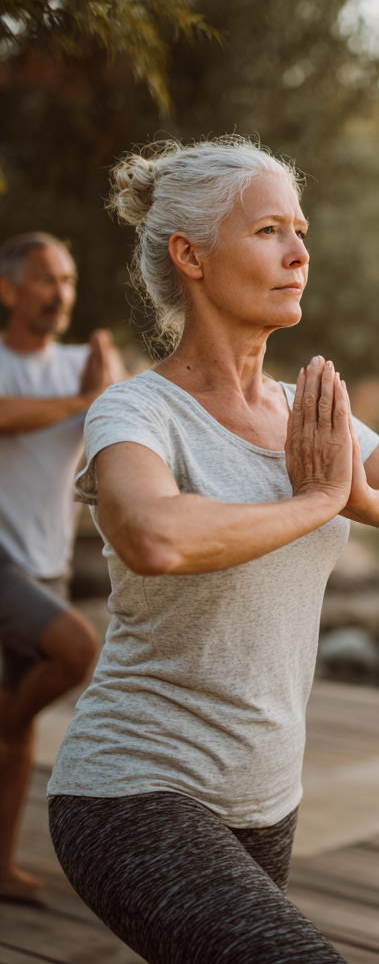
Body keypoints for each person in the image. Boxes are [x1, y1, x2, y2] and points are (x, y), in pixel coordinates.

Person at [45, 137, 379, 964]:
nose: (300, 253)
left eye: (302, 229)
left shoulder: (312, 417)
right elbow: (156, 536)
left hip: (267, 800)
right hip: (134, 788)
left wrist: (358, 496)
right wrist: (319, 500)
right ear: (191, 256)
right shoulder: (136, 413)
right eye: (268, 232)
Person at [0, 232, 125, 905]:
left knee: (10, 727)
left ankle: (0, 868)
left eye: (69, 280)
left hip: (45, 560)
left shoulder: (86, 365)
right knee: (77, 647)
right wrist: (88, 401)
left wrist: (107, 396)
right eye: (47, 280)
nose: (60, 294)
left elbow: (142, 421)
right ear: (9, 289)